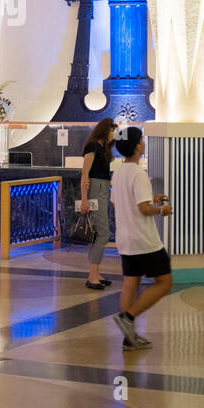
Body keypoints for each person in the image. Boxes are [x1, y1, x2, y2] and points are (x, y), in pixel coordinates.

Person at [109, 125, 171, 350]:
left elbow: (123, 200)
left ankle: (129, 338)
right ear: (137, 147)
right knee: (165, 282)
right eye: (142, 140)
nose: (144, 143)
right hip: (144, 240)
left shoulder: (119, 172)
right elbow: (144, 208)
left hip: (125, 239)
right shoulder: (138, 173)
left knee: (130, 283)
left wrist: (150, 197)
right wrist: (162, 210)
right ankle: (129, 317)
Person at [78, 117, 117, 289]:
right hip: (94, 189)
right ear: (105, 130)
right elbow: (85, 173)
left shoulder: (103, 148)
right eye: (112, 131)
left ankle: (96, 273)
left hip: (102, 189)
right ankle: (92, 276)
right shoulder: (93, 145)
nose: (113, 135)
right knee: (103, 233)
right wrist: (84, 199)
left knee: (99, 233)